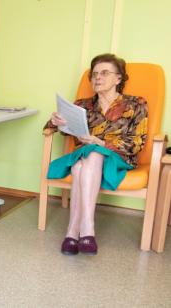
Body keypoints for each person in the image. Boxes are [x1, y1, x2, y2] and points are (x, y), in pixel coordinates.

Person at [44, 53, 148, 255]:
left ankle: (77, 230)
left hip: (118, 159)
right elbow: (55, 128)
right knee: (84, 161)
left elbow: (138, 141)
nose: (97, 78)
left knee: (87, 158)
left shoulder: (136, 104)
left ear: (119, 78)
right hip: (85, 156)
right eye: (94, 74)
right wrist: (55, 121)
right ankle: (83, 233)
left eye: (104, 73)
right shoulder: (82, 105)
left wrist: (101, 142)